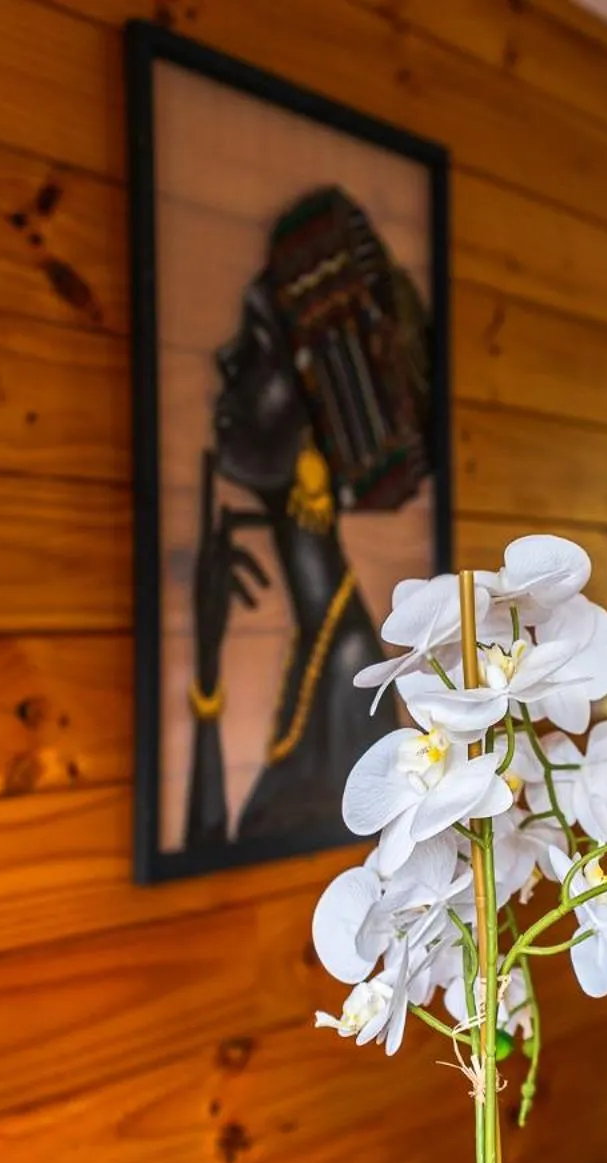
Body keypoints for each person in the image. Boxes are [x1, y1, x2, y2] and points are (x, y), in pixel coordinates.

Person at [185, 187, 434, 849]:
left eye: (256, 340)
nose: (225, 359)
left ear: (317, 412)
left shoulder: (350, 663)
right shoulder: (322, 649)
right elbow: (214, 855)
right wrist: (206, 671)